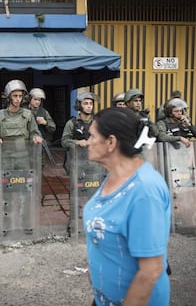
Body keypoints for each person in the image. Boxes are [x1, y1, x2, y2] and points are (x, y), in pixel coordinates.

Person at [83, 107, 171, 306]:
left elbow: (150, 271)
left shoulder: (144, 192)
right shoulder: (115, 176)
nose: (87, 142)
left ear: (111, 142)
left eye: (92, 136)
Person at [0, 79, 43, 158]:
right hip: (5, 157)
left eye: (20, 96)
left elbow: (34, 132)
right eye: (15, 96)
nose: (18, 99)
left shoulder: (28, 115)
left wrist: (36, 138)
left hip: (23, 157)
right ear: (9, 97)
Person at [61, 91, 97, 173]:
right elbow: (64, 141)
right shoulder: (72, 123)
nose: (89, 106)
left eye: (91, 104)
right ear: (79, 105)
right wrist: (77, 142)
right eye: (86, 103)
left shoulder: (97, 122)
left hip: (93, 162)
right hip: (76, 162)